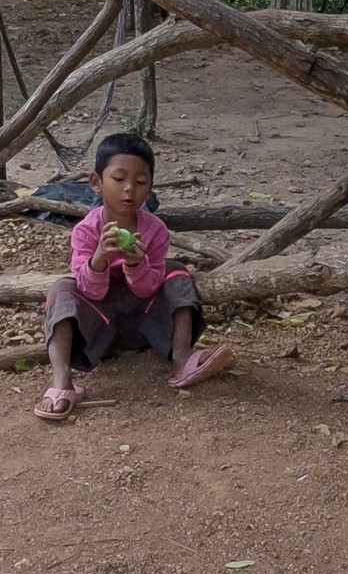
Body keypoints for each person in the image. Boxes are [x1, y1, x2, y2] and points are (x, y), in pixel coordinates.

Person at [35, 133, 232, 420]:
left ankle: (181, 359)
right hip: (100, 327)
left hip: (144, 325)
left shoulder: (155, 231)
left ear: (150, 189)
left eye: (140, 183)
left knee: (176, 270)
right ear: (96, 183)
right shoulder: (86, 231)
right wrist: (99, 259)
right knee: (62, 288)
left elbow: (148, 289)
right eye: (119, 179)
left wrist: (137, 265)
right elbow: (90, 291)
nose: (129, 189)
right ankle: (62, 381)